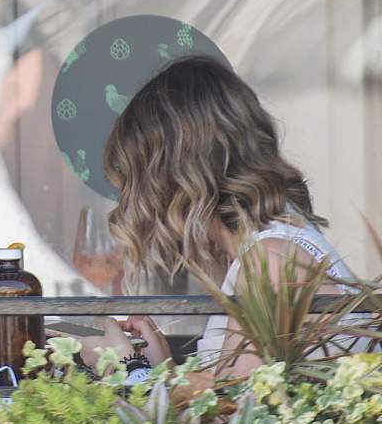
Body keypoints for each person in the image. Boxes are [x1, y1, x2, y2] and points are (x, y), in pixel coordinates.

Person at [74, 56, 360, 377]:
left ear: (174, 179)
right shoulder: (270, 250)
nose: (135, 203)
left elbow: (234, 419)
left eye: (137, 181)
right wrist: (161, 370)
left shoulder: (270, 262)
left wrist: (128, 366)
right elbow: (232, 404)